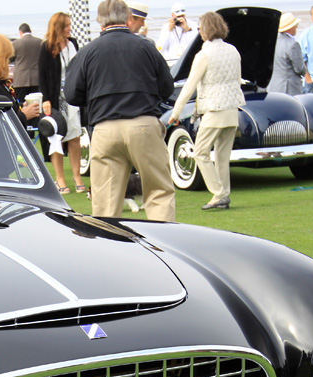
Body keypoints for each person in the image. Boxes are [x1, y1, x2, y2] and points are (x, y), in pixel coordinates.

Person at [65, 0, 176, 221]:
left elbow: (71, 94)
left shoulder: (88, 51)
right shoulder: (145, 46)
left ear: (100, 20)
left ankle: (110, 250)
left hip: (105, 127)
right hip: (143, 123)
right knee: (158, 192)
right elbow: (167, 88)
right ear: (127, 17)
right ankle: (162, 249)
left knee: (105, 201)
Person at [168, 12, 245, 210]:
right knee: (221, 156)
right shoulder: (233, 50)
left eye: (201, 27)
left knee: (200, 151)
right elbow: (238, 80)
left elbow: (189, 86)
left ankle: (218, 194)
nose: (199, 31)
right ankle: (224, 194)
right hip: (232, 108)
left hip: (214, 109)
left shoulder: (204, 55)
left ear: (207, 29)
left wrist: (175, 112)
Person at [38, 12, 85, 194]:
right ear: (58, 27)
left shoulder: (72, 43)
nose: (69, 28)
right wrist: (46, 99)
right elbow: (42, 75)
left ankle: (77, 176)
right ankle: (59, 178)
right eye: (66, 26)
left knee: (75, 136)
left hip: (72, 96)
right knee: (56, 137)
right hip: (55, 97)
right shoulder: (47, 47)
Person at [269, 13, 305, 95]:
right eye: (296, 25)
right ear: (290, 27)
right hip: (289, 88)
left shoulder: (272, 42)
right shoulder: (293, 44)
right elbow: (300, 69)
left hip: (274, 86)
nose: (296, 27)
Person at [12, 23, 43, 104]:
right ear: (30, 31)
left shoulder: (15, 44)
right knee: (36, 104)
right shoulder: (40, 42)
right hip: (37, 79)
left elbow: (9, 59)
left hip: (21, 80)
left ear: (20, 32)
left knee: (21, 104)